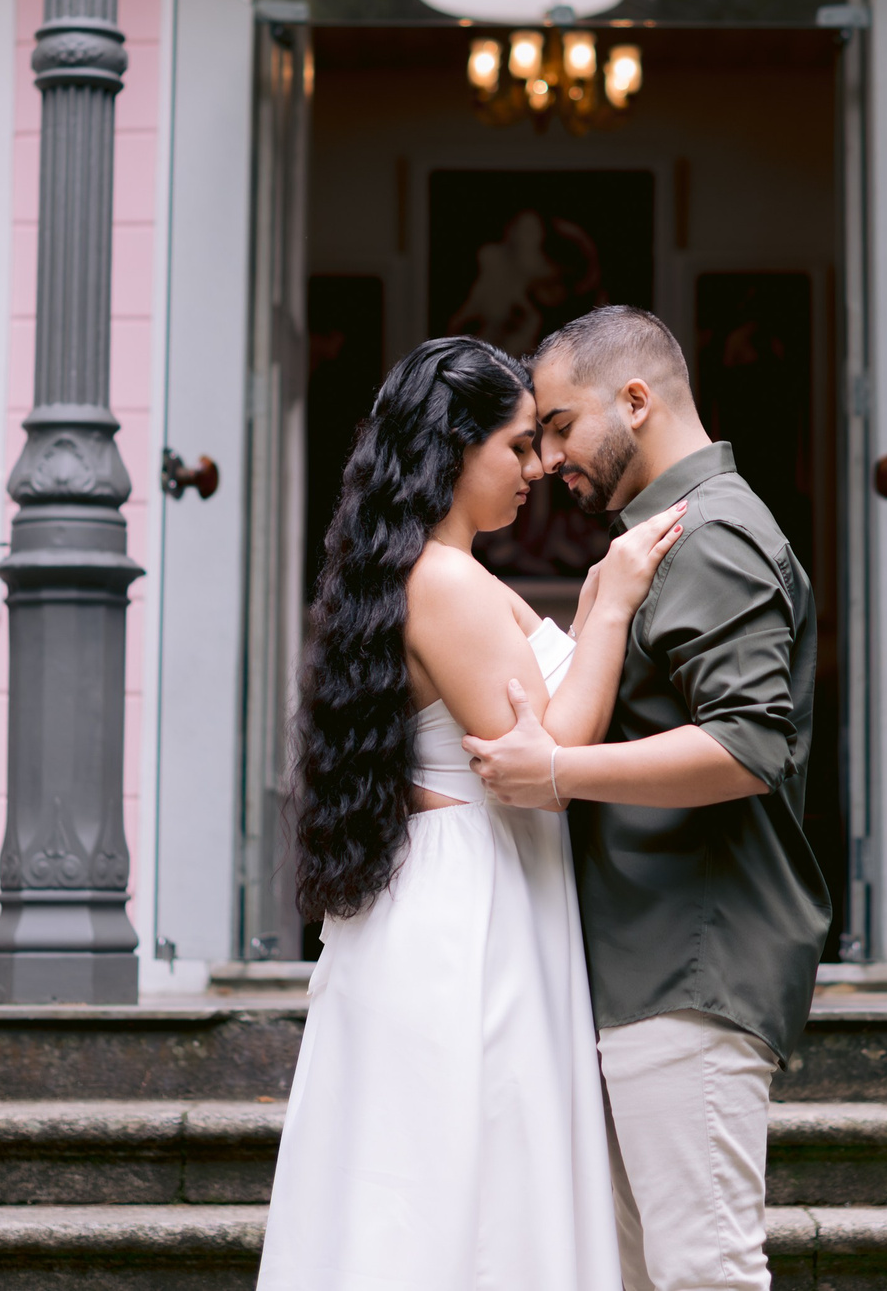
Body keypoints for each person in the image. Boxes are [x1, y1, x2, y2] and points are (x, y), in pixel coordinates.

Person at [258, 335, 687, 1291]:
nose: (539, 467)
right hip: (470, 913)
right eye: (519, 445)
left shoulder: (434, 571)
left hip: (468, 886)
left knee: (452, 1187)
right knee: (473, 1186)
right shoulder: (445, 582)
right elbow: (545, 754)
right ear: (455, 452)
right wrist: (610, 604)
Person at [466, 305, 829, 1291]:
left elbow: (750, 742)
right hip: (649, 961)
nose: (545, 458)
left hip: (692, 959)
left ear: (635, 399)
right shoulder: (657, 540)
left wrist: (558, 773)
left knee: (702, 1269)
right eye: (530, 437)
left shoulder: (708, 534)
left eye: (558, 426)